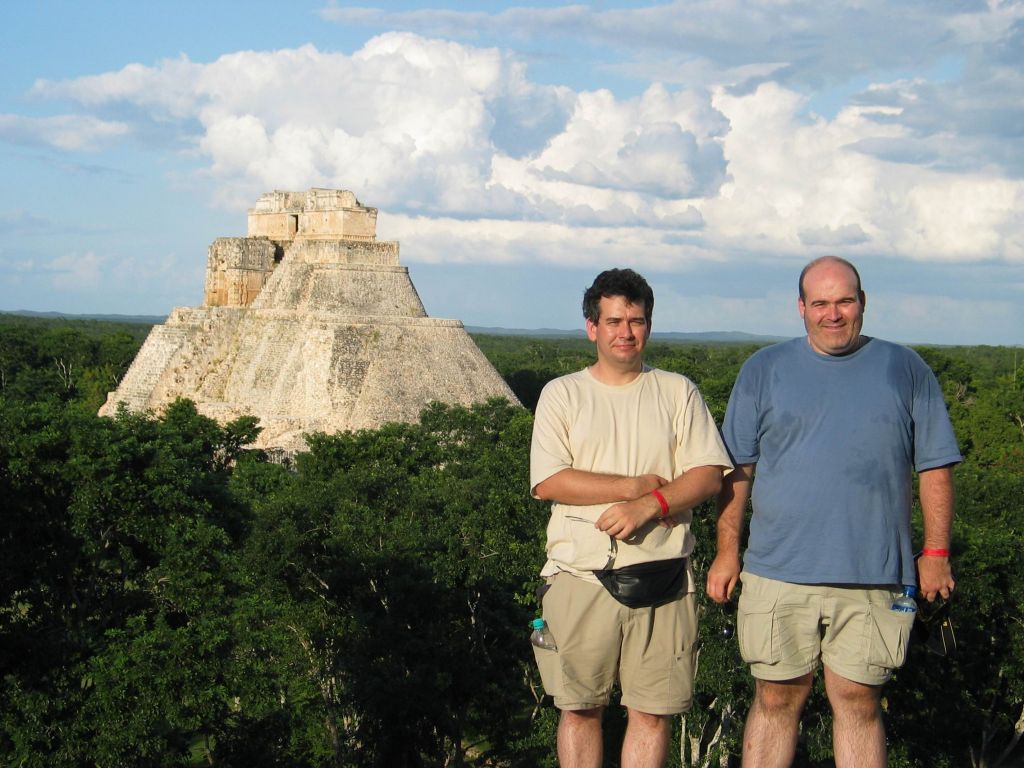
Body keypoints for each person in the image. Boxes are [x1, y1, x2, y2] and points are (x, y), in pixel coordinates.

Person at [707, 255, 961, 767]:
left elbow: (935, 466)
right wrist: (726, 551)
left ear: (863, 302)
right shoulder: (763, 369)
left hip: (874, 572)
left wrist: (935, 552)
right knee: (775, 698)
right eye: (820, 302)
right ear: (801, 307)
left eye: (845, 300)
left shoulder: (905, 368)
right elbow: (737, 471)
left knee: (859, 701)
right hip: (777, 569)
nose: (834, 313)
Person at [530, 268, 733, 768]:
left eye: (636, 321)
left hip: (665, 577)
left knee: (652, 714)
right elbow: (549, 481)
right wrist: (632, 486)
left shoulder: (678, 391)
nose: (626, 332)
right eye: (614, 321)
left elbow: (708, 475)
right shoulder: (562, 393)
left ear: (649, 326)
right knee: (579, 709)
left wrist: (652, 505)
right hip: (580, 575)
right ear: (591, 328)